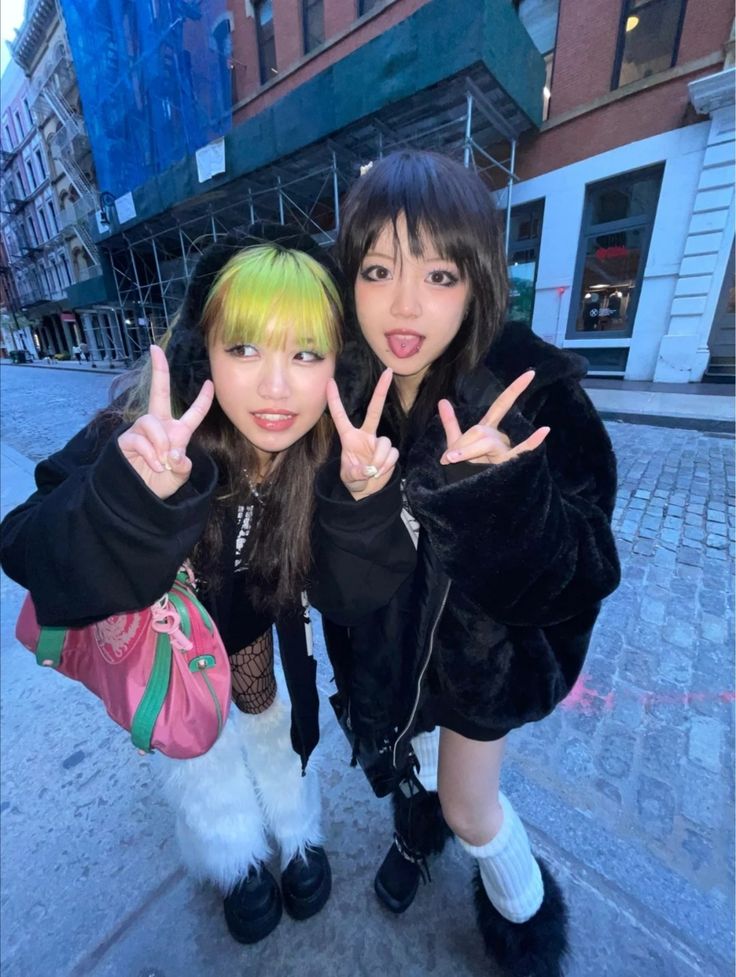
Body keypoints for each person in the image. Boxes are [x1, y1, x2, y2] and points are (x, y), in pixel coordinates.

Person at [310, 152, 620, 977]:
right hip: (386, 646)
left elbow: (585, 570)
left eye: (439, 273)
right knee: (402, 768)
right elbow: (321, 566)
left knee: (471, 804)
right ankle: (416, 837)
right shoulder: (337, 392)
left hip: (483, 658)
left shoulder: (532, 393)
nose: (404, 304)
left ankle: (525, 917)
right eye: (378, 270)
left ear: (478, 280)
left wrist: (505, 498)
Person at [0, 226, 343, 946]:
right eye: (246, 346)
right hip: (170, 649)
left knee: (264, 708)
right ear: (204, 348)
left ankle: (294, 827)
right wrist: (128, 498)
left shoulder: (326, 449)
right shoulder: (147, 431)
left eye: (305, 352)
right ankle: (234, 858)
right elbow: (23, 543)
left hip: (249, 633)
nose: (277, 385)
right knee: (199, 743)